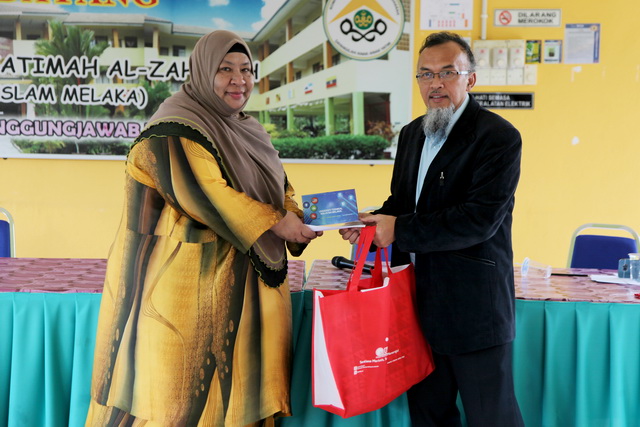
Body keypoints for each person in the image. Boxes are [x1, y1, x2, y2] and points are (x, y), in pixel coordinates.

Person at [86, 30, 321, 426]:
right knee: (175, 404)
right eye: (224, 69)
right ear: (201, 71)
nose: (239, 80)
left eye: (246, 70)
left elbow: (278, 187)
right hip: (182, 299)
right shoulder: (173, 131)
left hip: (243, 295)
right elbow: (207, 195)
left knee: (239, 401)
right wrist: (280, 223)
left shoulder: (247, 130)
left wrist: (298, 214)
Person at [341, 31, 524, 426]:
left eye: (447, 72)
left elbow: (478, 220)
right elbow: (402, 204)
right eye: (425, 74)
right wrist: (371, 224)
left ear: (470, 79)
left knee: (492, 417)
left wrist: (398, 229)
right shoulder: (411, 134)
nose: (435, 83)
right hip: (416, 306)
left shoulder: (497, 137)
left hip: (474, 310)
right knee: (428, 416)